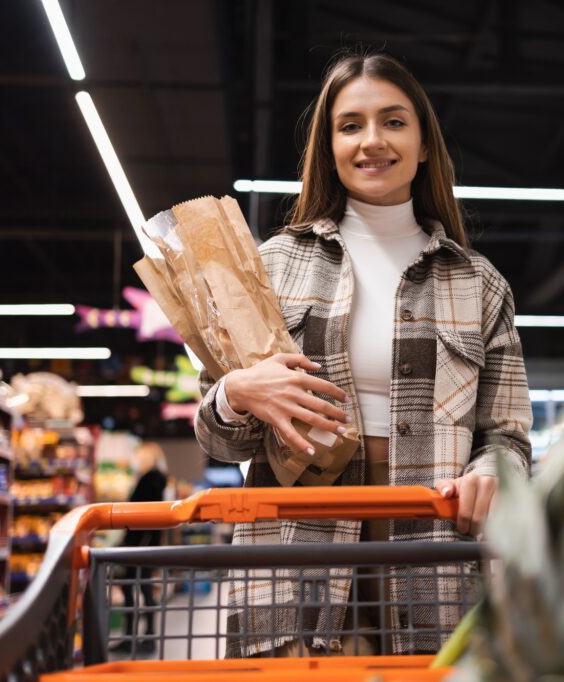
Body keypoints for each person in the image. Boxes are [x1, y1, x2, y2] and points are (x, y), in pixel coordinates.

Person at [194, 51, 532, 657]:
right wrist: (236, 394)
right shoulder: (272, 266)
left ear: (425, 144)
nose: (372, 140)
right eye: (351, 125)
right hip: (294, 554)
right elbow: (218, 439)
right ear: (329, 148)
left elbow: (506, 435)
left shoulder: (479, 284)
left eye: (394, 121)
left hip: (435, 556)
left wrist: (492, 471)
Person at [111, 442, 168, 655]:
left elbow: (141, 513)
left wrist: (131, 541)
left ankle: (133, 637)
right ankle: (145, 636)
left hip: (139, 545)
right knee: (143, 588)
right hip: (147, 544)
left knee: (131, 587)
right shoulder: (157, 480)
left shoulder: (148, 480)